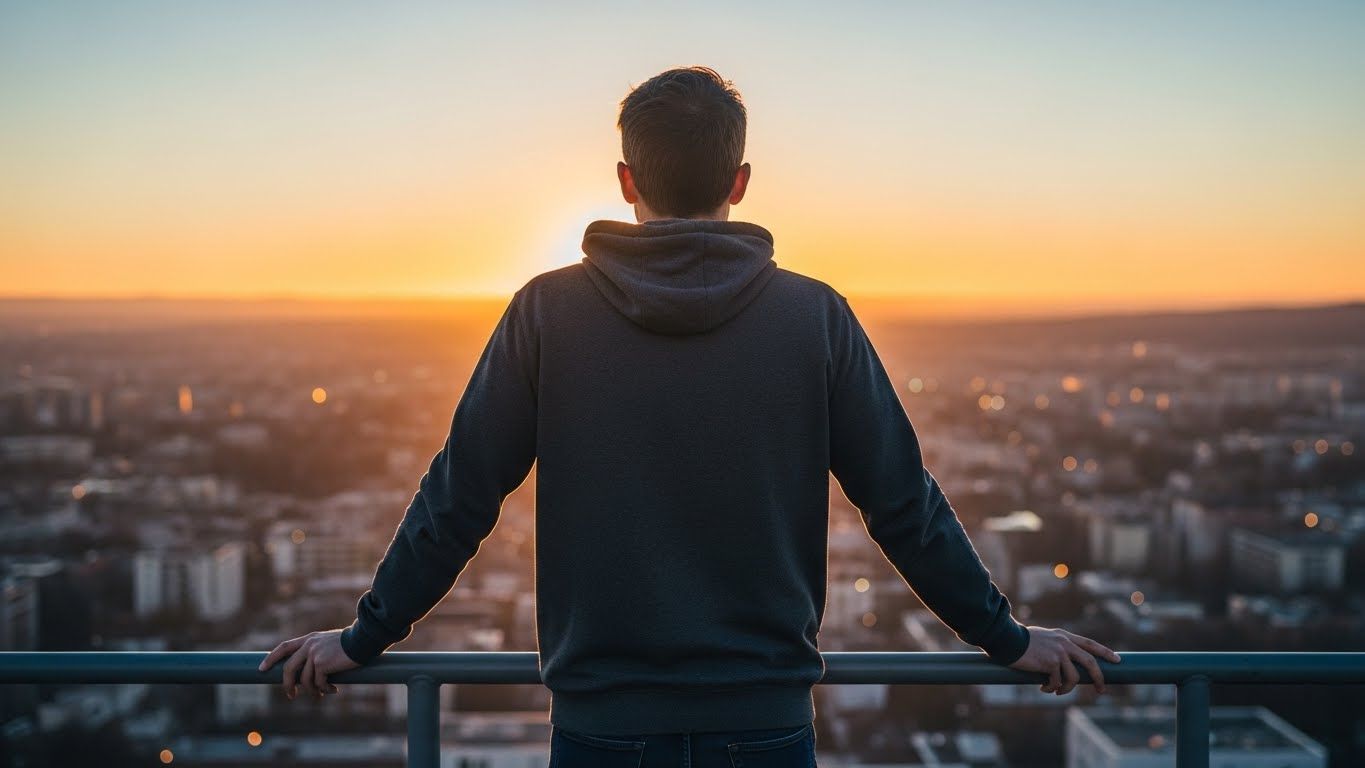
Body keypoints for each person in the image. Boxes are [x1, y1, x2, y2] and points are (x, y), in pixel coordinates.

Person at [260, 65, 1121, 766]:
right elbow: (903, 504)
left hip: (600, 723)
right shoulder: (815, 318)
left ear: (626, 181)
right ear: (738, 182)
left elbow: (459, 499)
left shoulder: (546, 313)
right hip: (764, 721)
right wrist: (1004, 637)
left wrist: (366, 636)